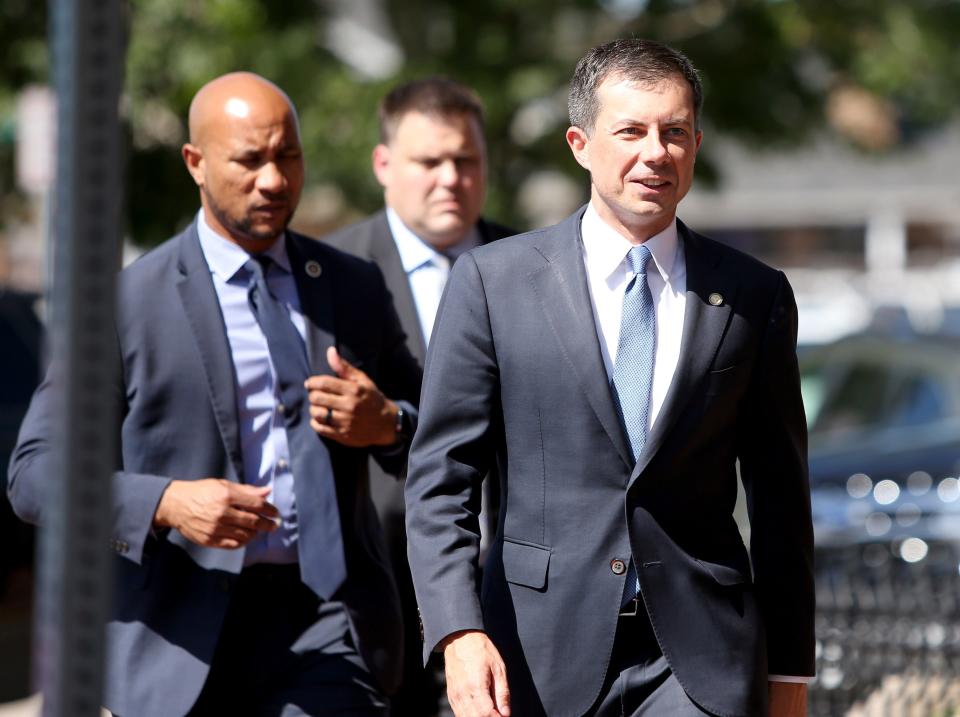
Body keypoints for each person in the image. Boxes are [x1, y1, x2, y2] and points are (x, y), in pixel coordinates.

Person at [404, 39, 815, 717]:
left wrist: (790, 674)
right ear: (579, 143)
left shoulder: (751, 294)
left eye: (674, 132)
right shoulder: (493, 282)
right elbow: (442, 476)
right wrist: (457, 629)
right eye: (630, 130)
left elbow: (780, 494)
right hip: (534, 657)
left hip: (699, 661)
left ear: (696, 144)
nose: (655, 152)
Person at [8, 72, 421, 717]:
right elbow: (33, 476)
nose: (275, 181)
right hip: (179, 638)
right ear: (196, 164)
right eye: (250, 161)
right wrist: (165, 502)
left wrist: (389, 423)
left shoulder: (352, 285)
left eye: (288, 155)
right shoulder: (122, 307)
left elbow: (439, 435)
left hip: (331, 626)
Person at [324, 76, 513, 716]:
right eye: (429, 162)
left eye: (466, 160)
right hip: (379, 603)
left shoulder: (533, 267)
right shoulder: (332, 274)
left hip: (514, 591)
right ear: (383, 165)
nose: (450, 178)